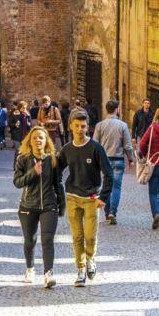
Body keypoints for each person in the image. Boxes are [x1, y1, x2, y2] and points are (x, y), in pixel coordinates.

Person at [56, 109, 113, 286]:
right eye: (77, 126)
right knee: (77, 237)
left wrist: (103, 197)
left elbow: (108, 173)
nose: (80, 129)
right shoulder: (67, 149)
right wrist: (58, 193)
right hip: (72, 196)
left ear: (88, 127)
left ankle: (90, 260)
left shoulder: (96, 148)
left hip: (91, 198)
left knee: (90, 236)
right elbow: (57, 171)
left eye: (83, 126)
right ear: (71, 127)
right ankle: (80, 269)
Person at [13, 125, 65, 289]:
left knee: (47, 239)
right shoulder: (23, 158)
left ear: (46, 141)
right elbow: (17, 182)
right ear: (30, 141)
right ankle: (30, 268)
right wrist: (33, 172)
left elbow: (58, 183)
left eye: (41, 138)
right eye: (34, 138)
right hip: (28, 205)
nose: (37, 140)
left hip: (49, 205)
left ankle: (48, 273)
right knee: (30, 240)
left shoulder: (52, 159)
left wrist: (61, 204)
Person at [92, 99, 135, 224]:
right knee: (116, 187)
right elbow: (127, 145)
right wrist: (131, 159)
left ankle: (107, 212)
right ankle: (112, 212)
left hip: (104, 160)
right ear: (117, 109)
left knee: (106, 186)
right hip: (118, 160)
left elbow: (95, 144)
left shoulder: (99, 125)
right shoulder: (122, 125)